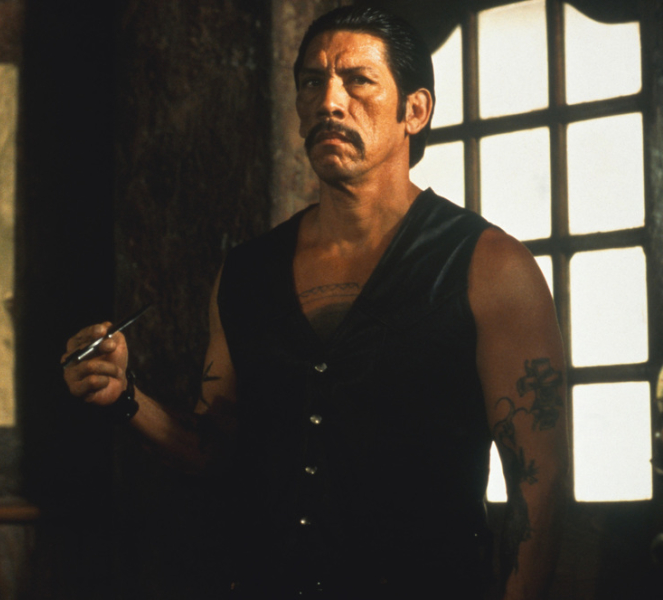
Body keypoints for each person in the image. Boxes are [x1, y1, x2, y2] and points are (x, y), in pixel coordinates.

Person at [64, 5, 568, 598]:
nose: (329, 101)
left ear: (415, 110)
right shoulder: (248, 272)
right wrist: (124, 397)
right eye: (311, 82)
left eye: (358, 80)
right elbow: (217, 450)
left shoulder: (490, 267)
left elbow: (539, 490)